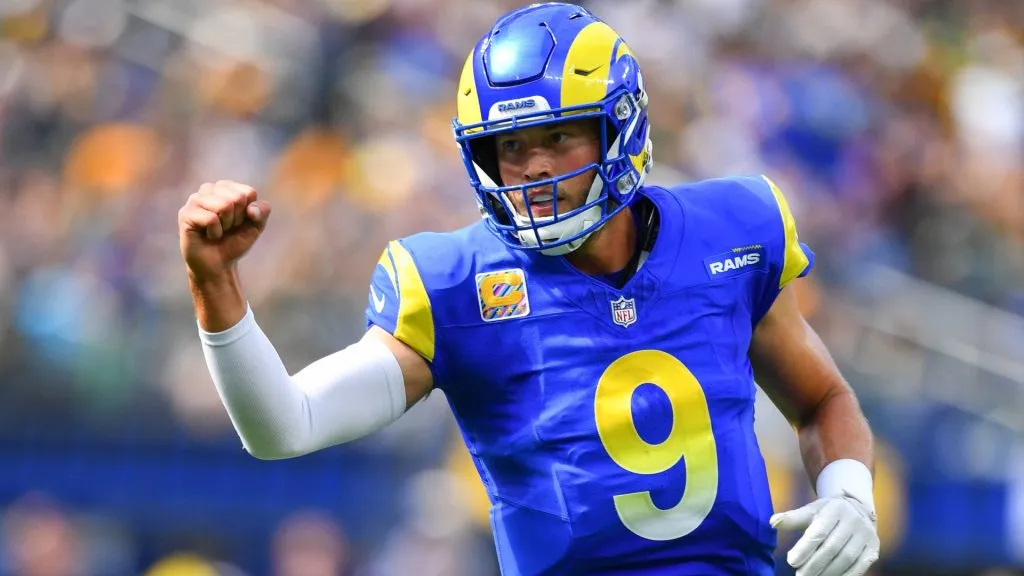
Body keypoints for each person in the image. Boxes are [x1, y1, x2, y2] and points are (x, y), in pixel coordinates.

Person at [177, 3, 880, 575]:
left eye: (560, 137)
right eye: (511, 146)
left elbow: (823, 400)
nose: (534, 169)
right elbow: (285, 425)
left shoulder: (732, 231)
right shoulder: (455, 284)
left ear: (620, 127)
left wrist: (849, 493)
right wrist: (216, 285)